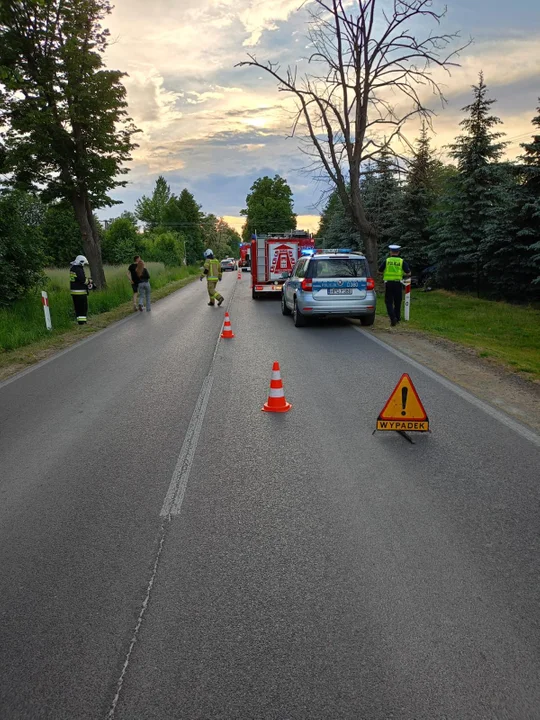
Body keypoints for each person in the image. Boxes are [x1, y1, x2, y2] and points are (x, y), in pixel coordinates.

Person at [379, 244, 411, 326]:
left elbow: (380, 270)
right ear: (398, 252)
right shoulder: (401, 261)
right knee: (398, 301)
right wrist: (402, 274)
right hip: (398, 283)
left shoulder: (387, 260)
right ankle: (397, 317)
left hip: (389, 283)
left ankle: (392, 318)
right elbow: (408, 272)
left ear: (390, 252)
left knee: (388, 301)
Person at [70, 255, 91, 325]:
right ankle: (83, 322)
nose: (84, 265)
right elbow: (82, 280)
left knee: (78, 308)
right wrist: (90, 282)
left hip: (74, 292)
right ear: (81, 262)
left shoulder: (72, 268)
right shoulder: (78, 269)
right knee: (83, 307)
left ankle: (80, 322)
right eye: (84, 263)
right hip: (80, 292)